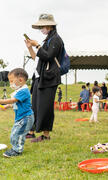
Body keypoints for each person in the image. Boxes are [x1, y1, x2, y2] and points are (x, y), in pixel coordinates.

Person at [25, 14, 63, 142]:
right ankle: (32, 131)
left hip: (49, 78)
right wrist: (30, 48)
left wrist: (37, 46)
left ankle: (46, 135)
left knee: (45, 107)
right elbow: (38, 59)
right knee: (35, 105)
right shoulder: (47, 40)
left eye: (42, 26)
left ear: (50, 25)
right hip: (39, 77)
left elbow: (48, 56)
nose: (41, 29)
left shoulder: (56, 40)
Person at [0, 68, 34, 157]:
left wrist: (2, 101)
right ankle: (15, 148)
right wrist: (7, 106)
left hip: (25, 117)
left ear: (20, 80)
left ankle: (17, 150)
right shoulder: (20, 90)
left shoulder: (24, 91)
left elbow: (13, 100)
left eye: (11, 81)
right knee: (14, 133)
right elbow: (16, 103)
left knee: (18, 134)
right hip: (21, 117)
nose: (10, 83)